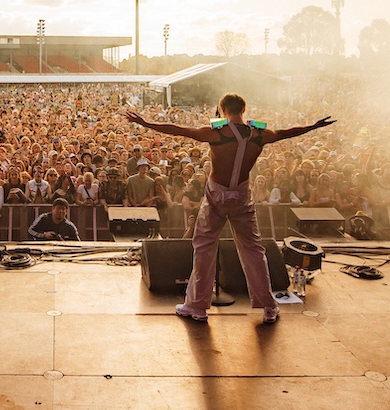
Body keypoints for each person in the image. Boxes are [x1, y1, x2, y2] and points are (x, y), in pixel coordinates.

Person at [126, 93, 335, 324]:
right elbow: (286, 132)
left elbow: (178, 129)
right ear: (243, 110)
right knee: (253, 250)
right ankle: (268, 306)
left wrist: (145, 123)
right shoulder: (259, 134)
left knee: (204, 248)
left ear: (223, 110)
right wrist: (313, 126)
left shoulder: (217, 133)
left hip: (217, 195)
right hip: (242, 196)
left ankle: (197, 306)